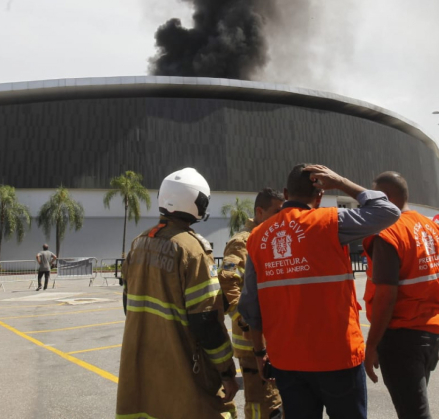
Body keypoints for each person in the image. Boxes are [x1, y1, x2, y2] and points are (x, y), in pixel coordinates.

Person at [239, 164, 401, 419]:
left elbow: (250, 304)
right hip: (338, 357)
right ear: (321, 195)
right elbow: (388, 211)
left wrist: (260, 353)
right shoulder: (331, 222)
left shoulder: (257, 238)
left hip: (287, 361)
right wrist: (343, 182)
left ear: (285, 192)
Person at [116, 168, 238, 419]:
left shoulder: (138, 243)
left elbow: (128, 304)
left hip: (140, 367)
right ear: (199, 203)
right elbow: (206, 321)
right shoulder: (193, 249)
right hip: (182, 369)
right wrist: (226, 371)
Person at [362, 172, 439, 419]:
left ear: (386, 198)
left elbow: (386, 295)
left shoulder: (388, 231)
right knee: (415, 406)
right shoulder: (433, 228)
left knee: (414, 413)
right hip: (429, 334)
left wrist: (371, 345)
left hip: (401, 338)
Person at [219, 188, 285, 419]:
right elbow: (228, 282)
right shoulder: (242, 242)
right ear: (259, 211)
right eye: (276, 211)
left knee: (277, 401)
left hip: (273, 338)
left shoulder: (271, 237)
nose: (281, 217)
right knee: (262, 403)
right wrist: (245, 320)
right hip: (251, 343)